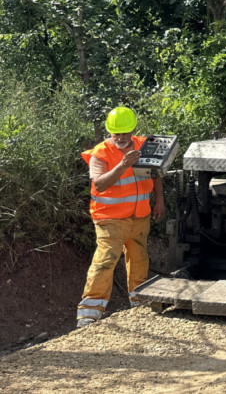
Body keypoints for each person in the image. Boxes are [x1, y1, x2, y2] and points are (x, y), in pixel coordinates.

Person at [76, 107, 164, 328]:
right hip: (110, 219)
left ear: (134, 129)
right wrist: (123, 164)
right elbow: (99, 183)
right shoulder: (101, 153)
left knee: (139, 259)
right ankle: (89, 313)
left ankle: (140, 303)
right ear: (110, 131)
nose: (121, 138)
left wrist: (159, 200)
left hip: (139, 216)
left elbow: (156, 172)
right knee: (105, 261)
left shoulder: (145, 144)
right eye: (117, 134)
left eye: (125, 133)